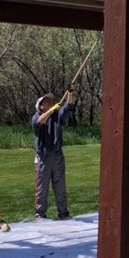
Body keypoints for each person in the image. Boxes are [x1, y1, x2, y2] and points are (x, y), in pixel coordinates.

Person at [32, 88, 75, 220]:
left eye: (51, 100)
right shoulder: (37, 117)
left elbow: (69, 107)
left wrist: (70, 94)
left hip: (57, 156)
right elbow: (39, 122)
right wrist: (51, 110)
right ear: (41, 106)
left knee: (60, 186)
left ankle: (63, 213)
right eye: (47, 101)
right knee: (42, 188)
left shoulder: (57, 116)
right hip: (43, 158)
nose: (51, 101)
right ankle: (40, 214)